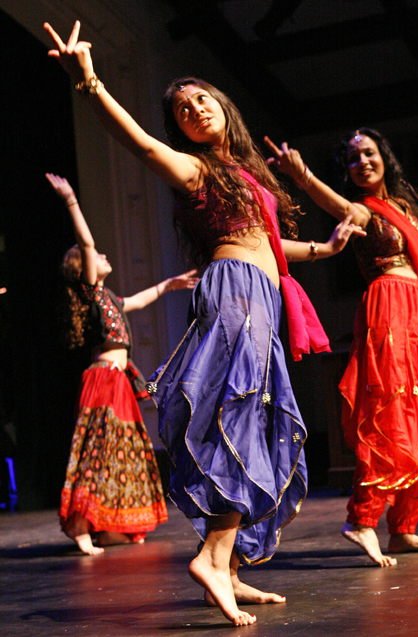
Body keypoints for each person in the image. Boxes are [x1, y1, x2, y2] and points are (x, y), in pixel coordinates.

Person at [44, 21, 365, 625]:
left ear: (222, 106)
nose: (194, 108)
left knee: (255, 417)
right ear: (182, 131)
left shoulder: (243, 172)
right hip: (237, 293)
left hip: (261, 296)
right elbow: (140, 144)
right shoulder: (196, 170)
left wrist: (326, 248)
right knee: (240, 415)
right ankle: (214, 558)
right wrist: (90, 84)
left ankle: (231, 565)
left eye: (201, 98)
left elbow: (269, 243)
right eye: (183, 110)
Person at [265, 130, 418, 567]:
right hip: (389, 308)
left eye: (369, 153)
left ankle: (403, 529)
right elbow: (335, 205)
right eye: (353, 159)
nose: (363, 162)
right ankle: (362, 520)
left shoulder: (401, 210)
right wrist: (303, 176)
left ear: (384, 158)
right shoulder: (364, 212)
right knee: (390, 411)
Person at [47, 172, 198, 556]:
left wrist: (169, 285)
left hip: (121, 380)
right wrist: (70, 200)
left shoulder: (110, 299)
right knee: (100, 448)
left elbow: (138, 301)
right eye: (96, 258)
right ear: (83, 267)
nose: (103, 257)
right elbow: (87, 241)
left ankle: (111, 524)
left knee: (125, 451)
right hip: (104, 380)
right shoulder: (93, 291)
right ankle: (81, 525)